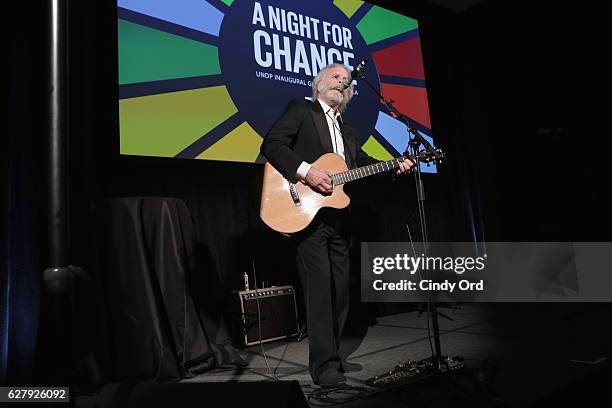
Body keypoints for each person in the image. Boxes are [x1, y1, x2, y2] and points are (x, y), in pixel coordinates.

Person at [260, 63, 413, 387]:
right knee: (319, 292)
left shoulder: (348, 132)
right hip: (308, 216)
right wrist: (307, 172)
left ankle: (334, 356)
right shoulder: (301, 110)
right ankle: (324, 366)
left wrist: (394, 166)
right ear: (319, 84)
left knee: (341, 291)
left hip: (339, 219)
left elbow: (361, 166)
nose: (342, 82)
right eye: (335, 77)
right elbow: (272, 145)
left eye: (346, 81)